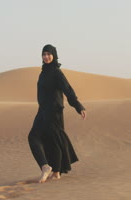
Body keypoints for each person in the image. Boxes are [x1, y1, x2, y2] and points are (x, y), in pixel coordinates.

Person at [28, 44, 87, 183]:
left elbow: (68, 90)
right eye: (44, 54)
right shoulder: (43, 72)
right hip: (42, 111)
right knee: (37, 138)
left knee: (48, 139)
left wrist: (78, 106)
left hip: (53, 111)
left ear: (54, 55)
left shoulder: (56, 72)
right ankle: (53, 170)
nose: (46, 56)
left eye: (49, 54)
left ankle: (49, 169)